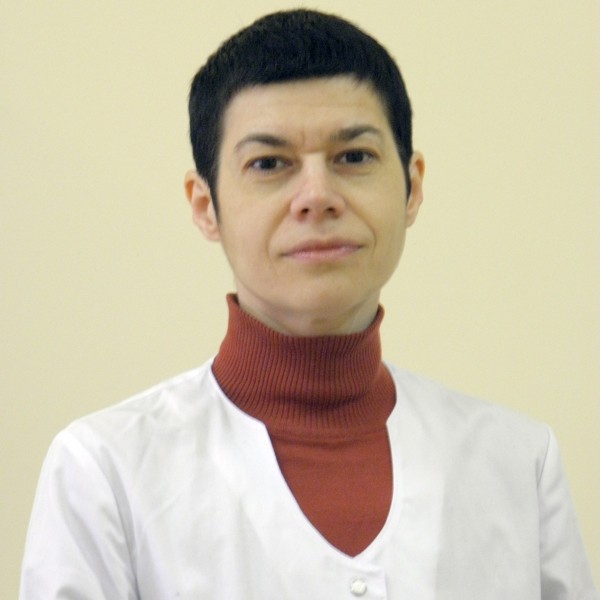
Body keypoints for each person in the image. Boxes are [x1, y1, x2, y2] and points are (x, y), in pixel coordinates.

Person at [20, 9, 598, 599]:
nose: (317, 197)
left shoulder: (519, 464)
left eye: (354, 157)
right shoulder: (104, 473)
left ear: (412, 187)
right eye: (269, 164)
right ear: (205, 205)